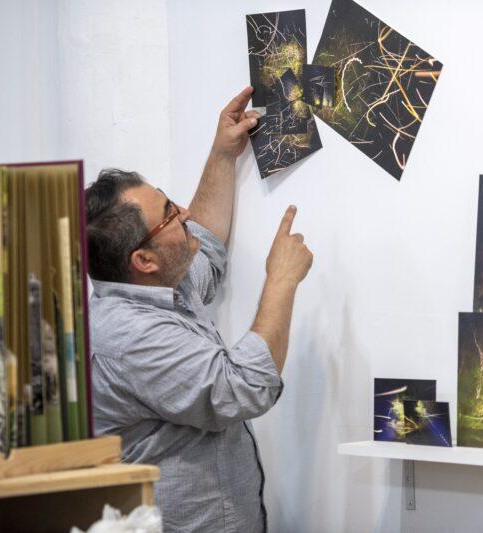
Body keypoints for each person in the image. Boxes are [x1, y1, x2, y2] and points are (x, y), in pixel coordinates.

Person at [86, 86, 313, 533]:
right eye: (169, 214)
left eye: (168, 200)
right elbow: (244, 387)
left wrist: (223, 154)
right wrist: (281, 280)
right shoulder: (131, 338)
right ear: (143, 260)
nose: (185, 212)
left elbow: (202, 245)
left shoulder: (153, 281)